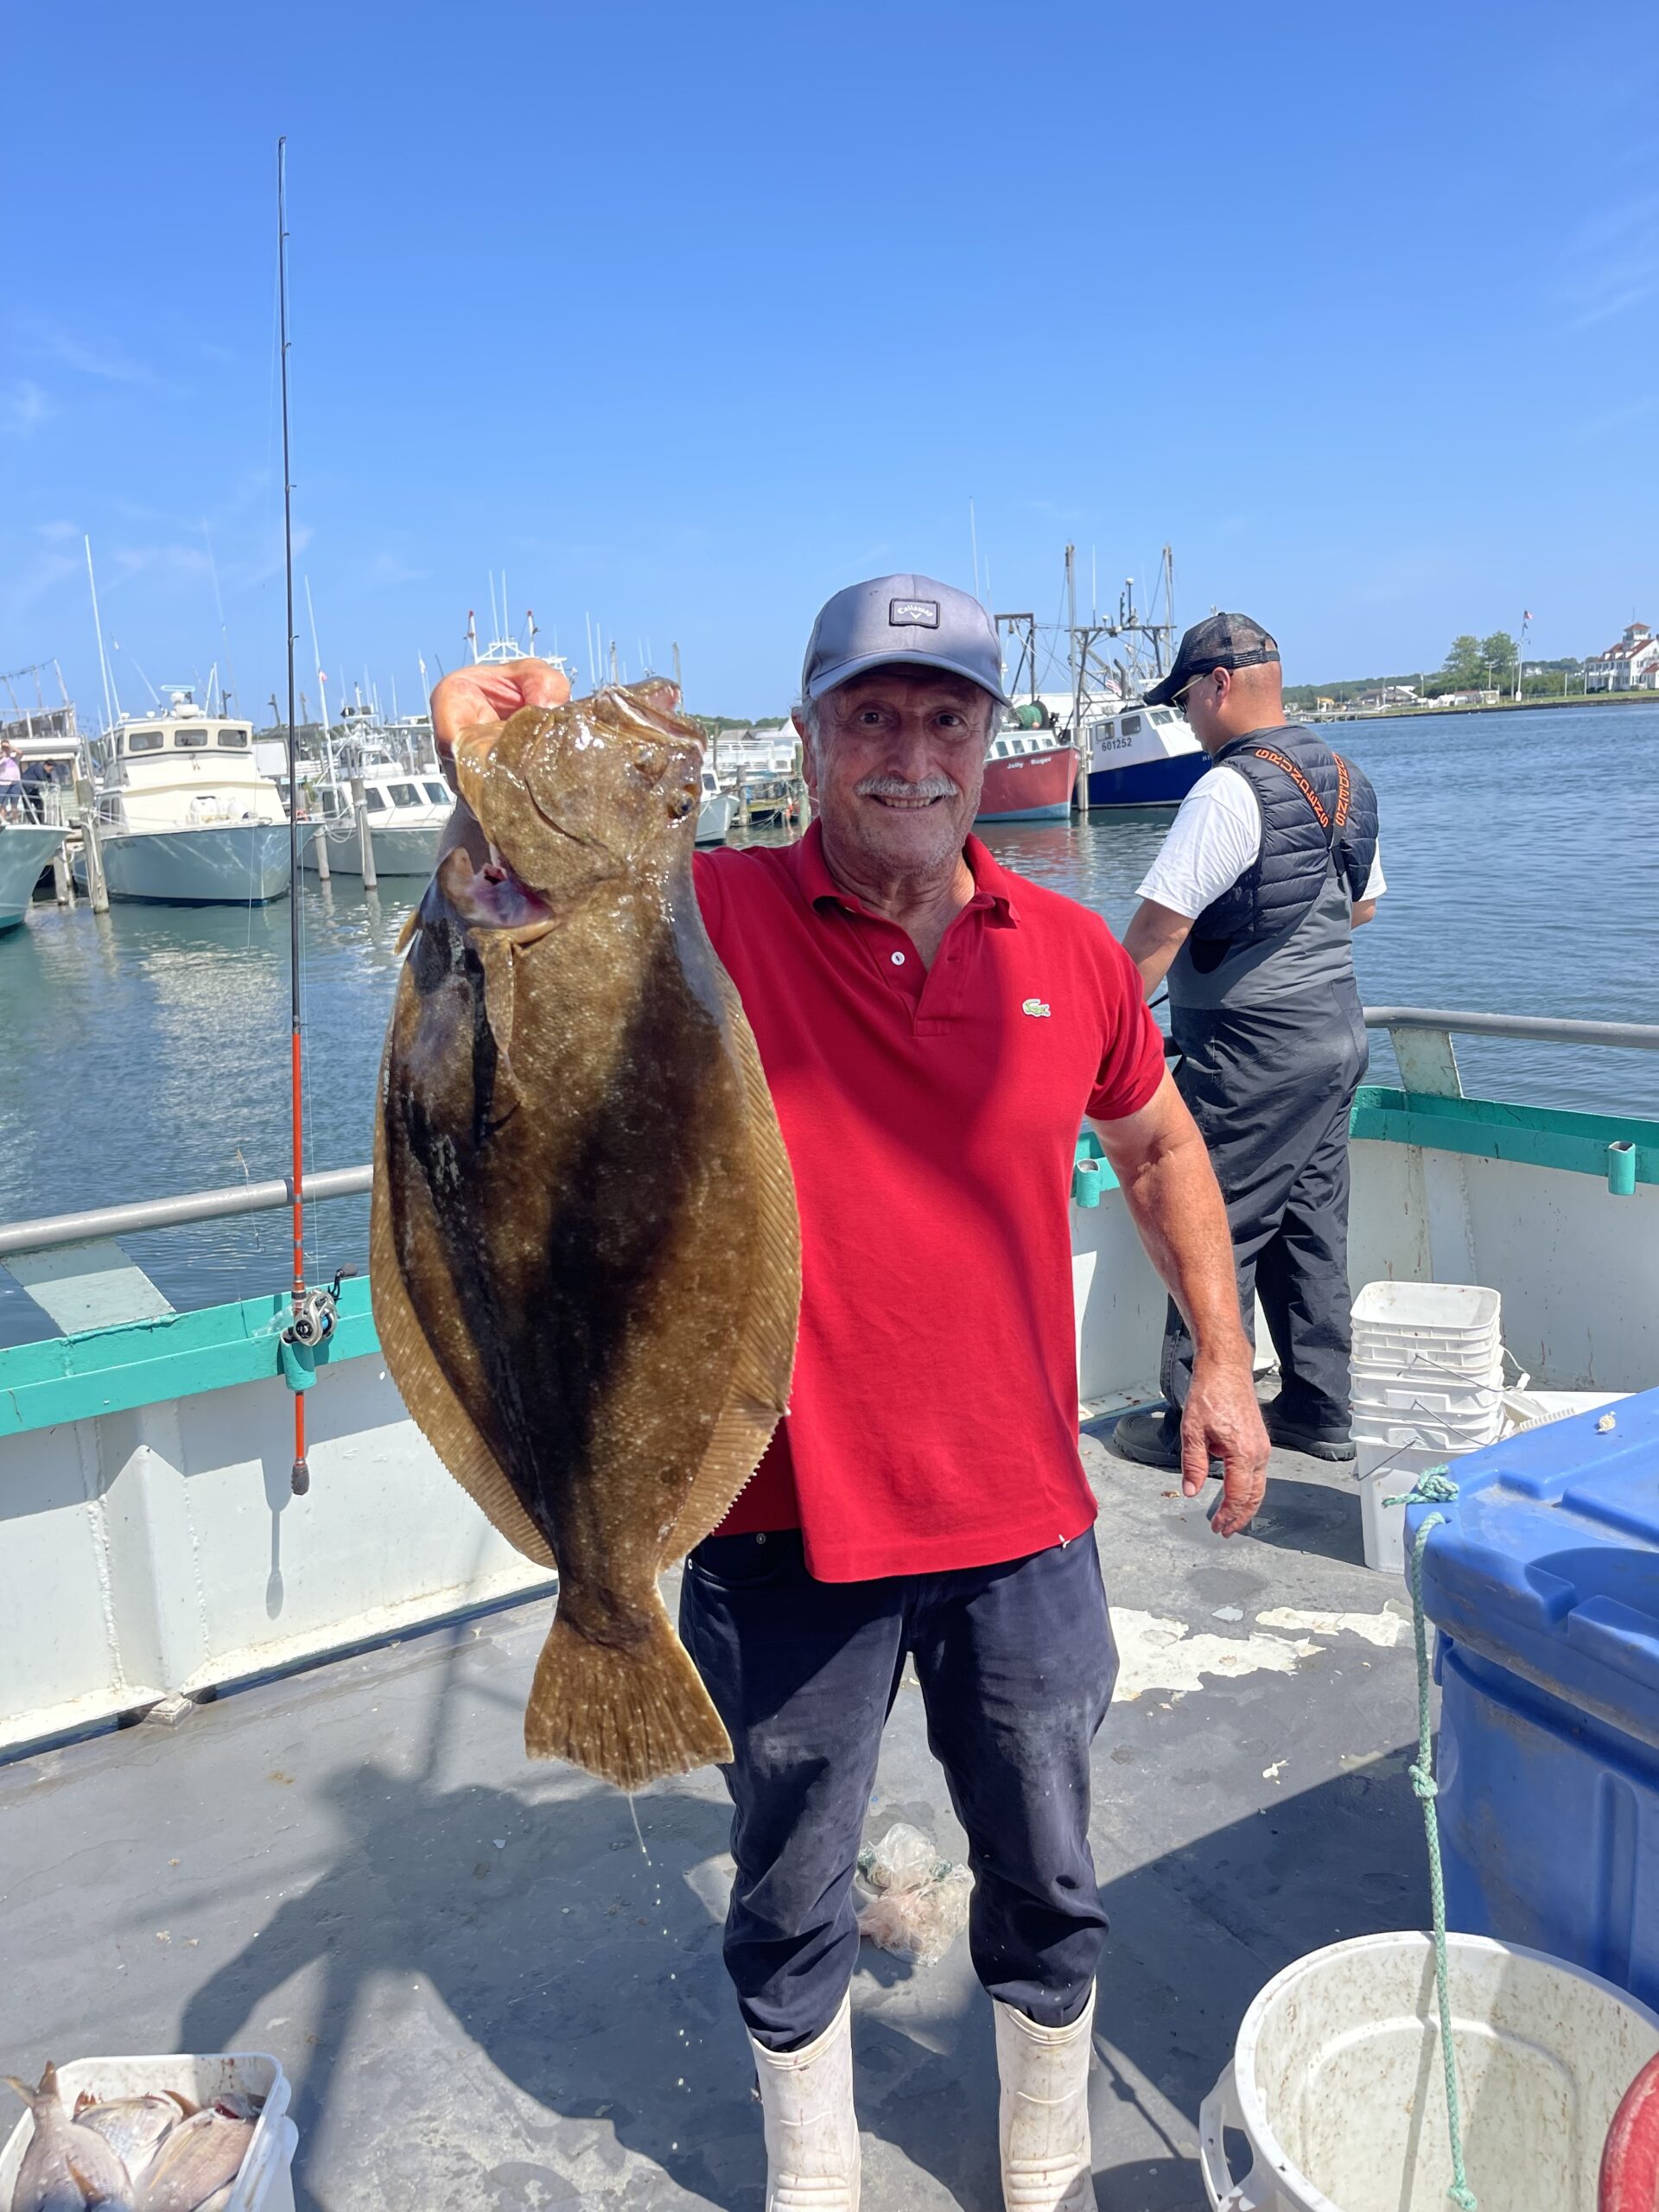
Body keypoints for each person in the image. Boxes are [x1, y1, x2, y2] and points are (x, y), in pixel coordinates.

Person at [429, 577, 1270, 2212]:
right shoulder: (712, 912)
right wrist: (495, 746)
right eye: (871, 716)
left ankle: (1044, 2144)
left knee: (1047, 1856)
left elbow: (1160, 1143)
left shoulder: (1078, 951)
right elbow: (521, 891)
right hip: (774, 1516)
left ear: (988, 741)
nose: (911, 752)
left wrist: (1226, 1365)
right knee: (791, 1871)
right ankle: (813, 2162)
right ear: (808, 739)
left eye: (945, 715)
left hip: (1025, 1517)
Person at [1112, 613, 1382, 1474]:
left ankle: (1196, 1417)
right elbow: (1363, 905)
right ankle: (1316, 1405)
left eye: (1187, 696)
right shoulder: (1347, 777)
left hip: (1252, 1050)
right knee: (1311, 1225)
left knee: (1208, 1222)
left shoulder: (1229, 791)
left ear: (1220, 684)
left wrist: (1096, 1031)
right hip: (1338, 1034)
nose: (1187, 717)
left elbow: (1156, 933)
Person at [0, 743, 22, 819]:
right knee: (2, 804)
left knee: (14, 804)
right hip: (3, 784)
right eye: (4, 748)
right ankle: (3, 820)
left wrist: (10, 746)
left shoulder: (15, 758)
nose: (6, 749)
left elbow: (20, 752)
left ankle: (15, 821)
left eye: (7, 748)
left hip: (15, 783)